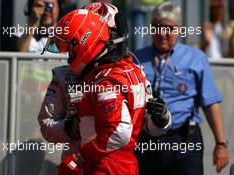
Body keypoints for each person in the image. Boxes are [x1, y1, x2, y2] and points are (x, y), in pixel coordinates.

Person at [39, 3, 171, 175]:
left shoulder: (132, 72)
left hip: (106, 166)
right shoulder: (64, 76)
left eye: (107, 30)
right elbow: (46, 124)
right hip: (76, 166)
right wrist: (70, 129)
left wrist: (161, 118)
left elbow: (141, 128)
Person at [135, 2, 230, 175]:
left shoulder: (195, 58)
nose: (163, 34)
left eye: (169, 28)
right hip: (147, 140)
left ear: (179, 29)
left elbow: (210, 103)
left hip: (184, 140)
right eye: (157, 27)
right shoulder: (136, 59)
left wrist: (221, 143)